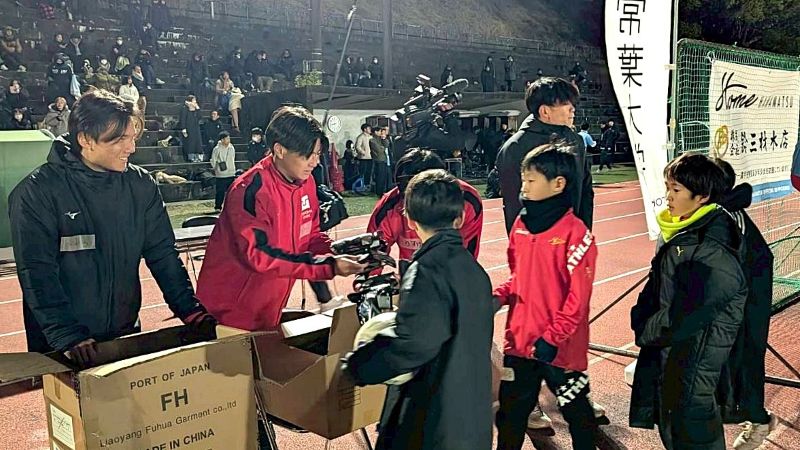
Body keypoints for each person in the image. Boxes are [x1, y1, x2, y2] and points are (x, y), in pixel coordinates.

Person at [8, 90, 214, 365]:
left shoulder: (141, 186)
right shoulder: (37, 192)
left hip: (124, 334)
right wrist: (67, 335)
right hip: (63, 346)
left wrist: (190, 310)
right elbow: (37, 272)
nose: (131, 148)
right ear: (85, 139)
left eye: (132, 138)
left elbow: (163, 254)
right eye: (119, 140)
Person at [344, 169, 495, 450]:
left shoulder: (424, 272)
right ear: (460, 218)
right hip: (471, 420)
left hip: (433, 424)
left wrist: (360, 365)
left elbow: (413, 343)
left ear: (410, 221)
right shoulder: (476, 272)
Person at [196, 105, 367, 331]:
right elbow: (259, 255)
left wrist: (338, 251)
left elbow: (311, 236)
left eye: (317, 154)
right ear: (279, 150)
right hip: (228, 315)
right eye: (307, 155)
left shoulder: (306, 182)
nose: (314, 162)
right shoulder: (250, 190)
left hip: (267, 310)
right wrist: (327, 266)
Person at [629, 152, 748, 450]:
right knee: (678, 428)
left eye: (676, 189)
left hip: (693, 360)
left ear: (702, 197)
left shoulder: (710, 246)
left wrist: (644, 328)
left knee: (693, 432)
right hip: (678, 354)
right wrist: (642, 316)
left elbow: (686, 314)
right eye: (667, 187)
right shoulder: (688, 234)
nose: (668, 196)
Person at [494, 143, 598, 450]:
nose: (523, 187)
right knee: (511, 415)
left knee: (577, 413)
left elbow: (578, 298)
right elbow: (518, 278)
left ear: (558, 183)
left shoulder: (576, 233)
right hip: (520, 343)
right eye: (523, 180)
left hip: (560, 350)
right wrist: (497, 297)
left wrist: (552, 338)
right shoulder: (520, 225)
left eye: (531, 180)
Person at [713, 158, 777, 449]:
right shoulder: (719, 212)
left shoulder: (724, 218)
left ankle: (758, 419)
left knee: (744, 360)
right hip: (739, 302)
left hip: (745, 304)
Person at [496, 77, 593, 234]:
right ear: (545, 111)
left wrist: (584, 233)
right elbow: (513, 206)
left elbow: (585, 192)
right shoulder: (515, 148)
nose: (572, 109)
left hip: (573, 239)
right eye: (565, 103)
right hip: (535, 242)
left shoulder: (575, 141)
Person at [367, 148, 483, 274]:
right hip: (413, 272)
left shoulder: (468, 202)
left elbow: (467, 256)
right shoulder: (388, 208)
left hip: (449, 271)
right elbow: (372, 257)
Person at [211, 131, 236, 211]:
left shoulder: (231, 147)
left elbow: (233, 158)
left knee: (231, 192)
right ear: (222, 140)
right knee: (220, 192)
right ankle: (218, 206)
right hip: (221, 174)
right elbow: (213, 160)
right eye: (227, 139)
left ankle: (230, 206)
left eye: (229, 138)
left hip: (231, 172)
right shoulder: (217, 149)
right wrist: (216, 168)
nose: (228, 140)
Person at [178, 94, 203, 162]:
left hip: (196, 128)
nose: (195, 102)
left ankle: (198, 156)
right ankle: (191, 157)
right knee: (190, 142)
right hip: (189, 128)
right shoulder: (185, 108)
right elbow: (183, 119)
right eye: (193, 100)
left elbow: (200, 117)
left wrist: (197, 108)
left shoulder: (195, 109)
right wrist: (183, 128)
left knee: (198, 142)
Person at [370, 126, 390, 196]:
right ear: (375, 132)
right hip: (378, 160)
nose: (381, 133)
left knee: (384, 177)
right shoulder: (372, 140)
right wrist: (382, 148)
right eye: (379, 131)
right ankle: (379, 191)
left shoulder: (381, 139)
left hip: (384, 160)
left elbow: (387, 145)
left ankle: (383, 190)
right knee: (379, 177)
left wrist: (384, 139)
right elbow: (379, 150)